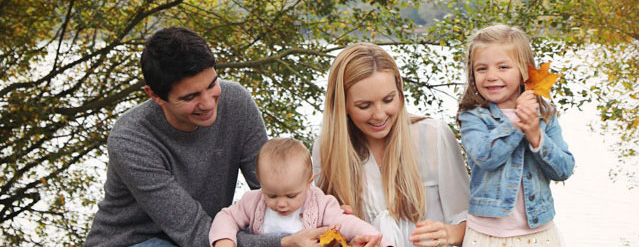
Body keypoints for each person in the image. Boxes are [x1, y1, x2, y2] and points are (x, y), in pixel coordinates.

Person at [85, 27, 325, 247]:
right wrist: (285, 242)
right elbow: (194, 232)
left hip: (208, 235)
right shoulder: (130, 139)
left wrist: (324, 216)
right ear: (155, 95)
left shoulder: (236, 103)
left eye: (212, 85)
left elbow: (274, 185)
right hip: (136, 241)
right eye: (190, 97)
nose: (208, 103)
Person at [313, 43, 470, 247]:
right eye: (364, 106)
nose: (379, 115)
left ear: (400, 92)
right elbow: (322, 231)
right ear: (343, 106)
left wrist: (447, 234)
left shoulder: (433, 135)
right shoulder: (326, 149)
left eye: (388, 100)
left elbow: (471, 221)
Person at [457, 24, 575, 246]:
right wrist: (518, 126)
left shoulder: (545, 114)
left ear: (523, 71)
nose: (491, 76)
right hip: (487, 234)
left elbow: (564, 170)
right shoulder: (473, 117)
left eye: (503, 67)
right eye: (481, 69)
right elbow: (485, 158)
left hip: (538, 233)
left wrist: (536, 137)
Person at [210, 137, 389, 247]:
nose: (281, 203)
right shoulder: (253, 201)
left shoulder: (319, 203)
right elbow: (227, 216)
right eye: (271, 195)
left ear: (309, 182)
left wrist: (377, 240)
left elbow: (347, 222)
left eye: (291, 196)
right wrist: (224, 241)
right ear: (260, 181)